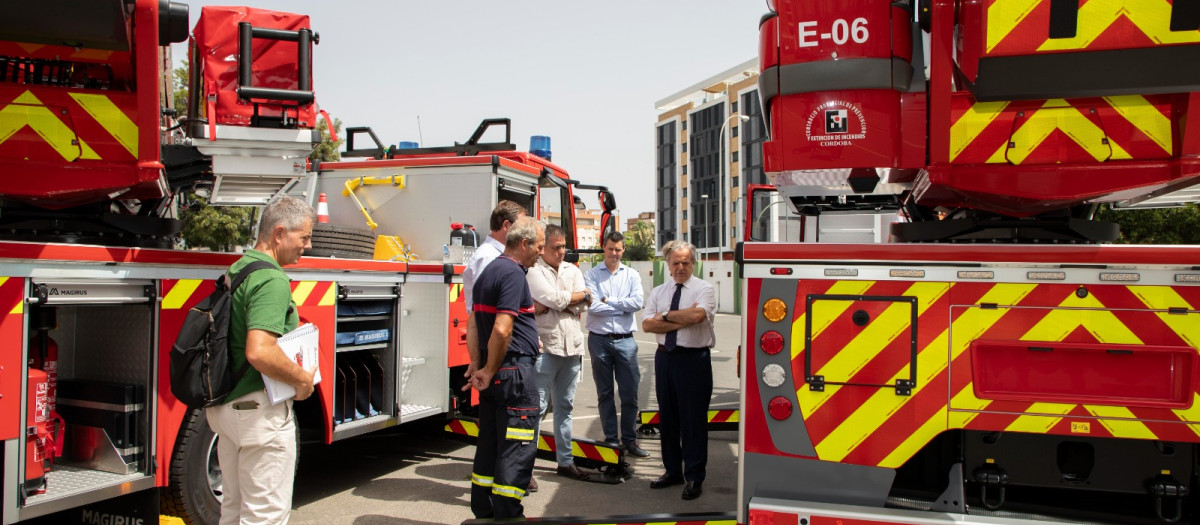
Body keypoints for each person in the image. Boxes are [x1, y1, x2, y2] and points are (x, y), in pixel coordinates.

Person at [206, 195, 318, 525]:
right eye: (304, 237)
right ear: (279, 233)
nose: (307, 246)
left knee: (234, 510)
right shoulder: (272, 279)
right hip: (259, 415)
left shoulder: (239, 268)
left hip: (228, 409)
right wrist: (301, 379)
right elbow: (259, 350)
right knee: (264, 516)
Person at [464, 217, 546, 519]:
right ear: (523, 245)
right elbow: (501, 329)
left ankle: (484, 510)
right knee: (517, 446)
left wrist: (479, 364)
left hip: (496, 374)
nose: (540, 252)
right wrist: (487, 368)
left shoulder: (488, 272)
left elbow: (473, 322)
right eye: (538, 247)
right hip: (514, 374)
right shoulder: (512, 274)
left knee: (490, 445)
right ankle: (508, 514)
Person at [640, 240, 716, 501]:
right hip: (665, 360)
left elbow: (697, 317)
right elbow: (647, 326)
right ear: (668, 265)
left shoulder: (705, 289)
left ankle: (694, 477)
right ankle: (672, 471)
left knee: (693, 422)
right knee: (669, 420)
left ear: (693, 263)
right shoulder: (659, 291)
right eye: (676, 262)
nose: (681, 267)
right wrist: (677, 317)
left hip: (693, 361)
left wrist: (664, 316)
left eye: (686, 262)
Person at [526, 224, 591, 481]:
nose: (562, 252)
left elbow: (585, 302)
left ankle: (565, 462)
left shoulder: (572, 270)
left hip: (572, 349)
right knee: (536, 409)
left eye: (564, 246)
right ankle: (525, 468)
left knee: (565, 406)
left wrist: (565, 301)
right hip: (546, 347)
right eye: (556, 247)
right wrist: (572, 299)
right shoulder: (533, 270)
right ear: (543, 249)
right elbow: (554, 299)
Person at [583, 231, 649, 458]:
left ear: (623, 250)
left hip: (626, 341)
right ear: (604, 247)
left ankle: (630, 441)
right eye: (611, 248)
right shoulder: (591, 275)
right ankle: (611, 440)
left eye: (618, 249)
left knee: (630, 394)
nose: (614, 253)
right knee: (605, 394)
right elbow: (592, 307)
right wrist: (623, 306)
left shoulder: (632, 275)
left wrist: (608, 301)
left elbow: (638, 302)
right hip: (599, 341)